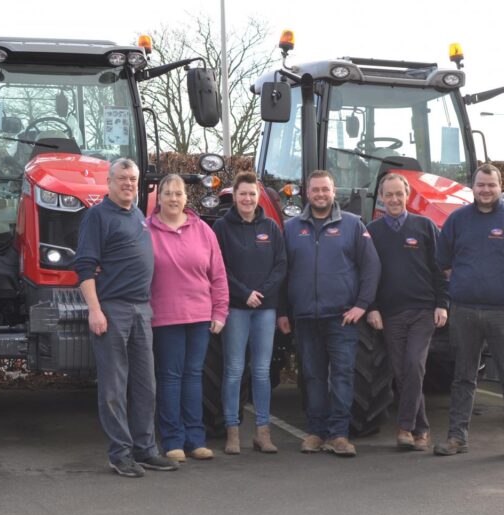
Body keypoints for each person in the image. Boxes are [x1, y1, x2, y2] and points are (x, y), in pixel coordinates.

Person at [74, 158, 178, 478]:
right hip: (113, 310)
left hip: (141, 310)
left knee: (146, 385)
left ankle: (145, 450)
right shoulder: (97, 217)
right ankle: (120, 454)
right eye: (122, 178)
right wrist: (95, 310)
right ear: (109, 182)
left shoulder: (138, 215)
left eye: (133, 178)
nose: (128, 183)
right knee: (114, 387)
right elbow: (84, 267)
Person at [434, 163, 504, 459]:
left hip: (503, 313)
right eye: (480, 185)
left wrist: (501, 287)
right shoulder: (457, 220)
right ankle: (457, 437)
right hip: (464, 311)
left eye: (491, 185)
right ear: (473, 187)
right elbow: (444, 263)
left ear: (500, 187)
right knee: (463, 377)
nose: (486, 190)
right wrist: (467, 284)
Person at [278, 170, 380, 457]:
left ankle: (338, 434)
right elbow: (282, 273)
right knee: (313, 376)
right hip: (305, 318)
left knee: (342, 377)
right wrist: (283, 312)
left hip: (342, 318)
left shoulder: (353, 224)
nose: (320, 194)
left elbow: (371, 267)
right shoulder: (291, 228)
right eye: (315, 190)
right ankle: (315, 432)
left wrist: (362, 305)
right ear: (307, 193)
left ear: (334, 192)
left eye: (325, 189)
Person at [366, 173, 449, 452]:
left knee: (414, 364)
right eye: (388, 195)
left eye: (399, 194)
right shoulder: (372, 232)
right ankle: (422, 429)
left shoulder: (425, 226)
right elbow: (368, 274)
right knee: (402, 373)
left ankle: (404, 427)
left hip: (423, 311)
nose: (394, 199)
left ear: (407, 195)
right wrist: (372, 308)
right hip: (390, 313)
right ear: (381, 197)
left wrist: (442, 303)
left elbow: (439, 269)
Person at [148, 174, 228, 462]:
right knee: (170, 378)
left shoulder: (203, 230)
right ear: (159, 198)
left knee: (194, 377)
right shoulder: (146, 230)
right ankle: (173, 440)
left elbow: (218, 275)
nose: (173, 198)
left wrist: (220, 311)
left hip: (199, 317)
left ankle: (196, 440)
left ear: (186, 197)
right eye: (168, 193)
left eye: (178, 193)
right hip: (165, 317)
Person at [213, 171, 287, 454]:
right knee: (233, 370)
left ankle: (262, 433)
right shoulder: (222, 227)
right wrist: (244, 293)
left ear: (258, 197)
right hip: (236, 308)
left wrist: (262, 294)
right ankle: (232, 432)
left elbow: (281, 265)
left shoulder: (271, 227)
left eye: (252, 194)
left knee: (261, 371)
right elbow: (219, 268)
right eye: (242, 194)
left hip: (265, 310)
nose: (247, 199)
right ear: (234, 196)